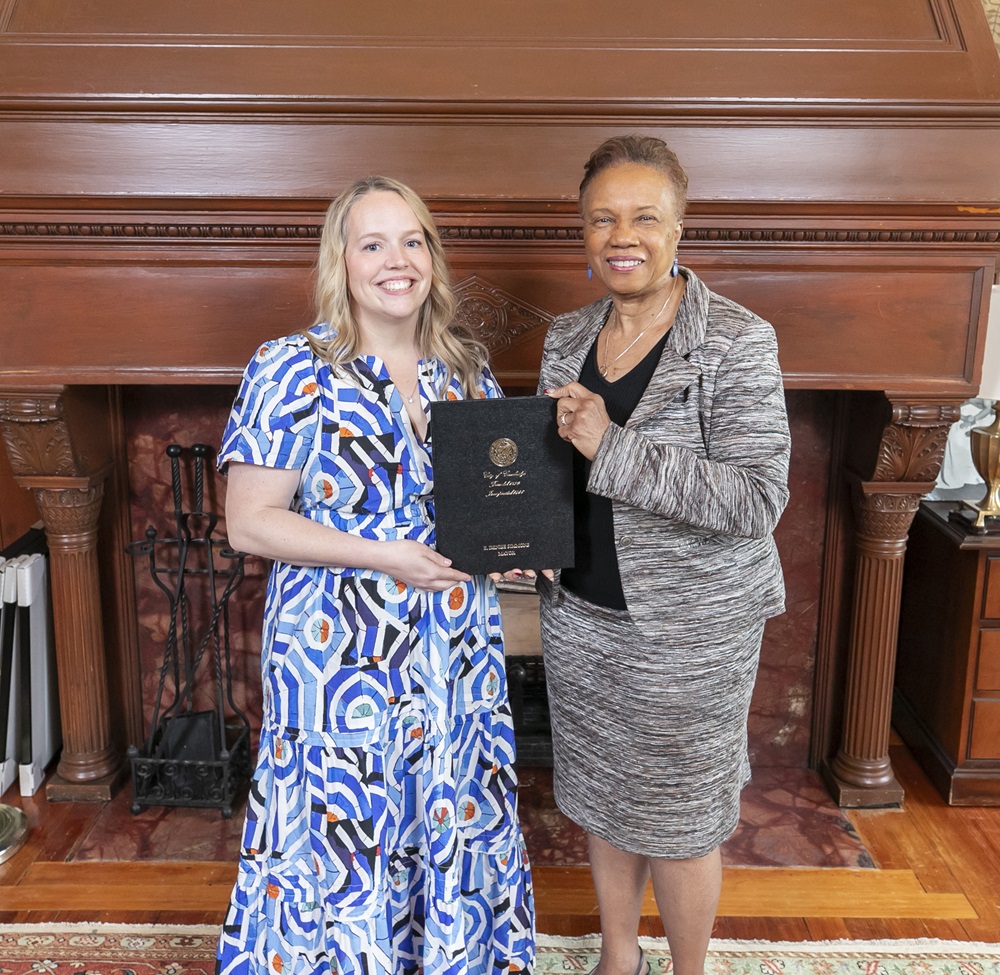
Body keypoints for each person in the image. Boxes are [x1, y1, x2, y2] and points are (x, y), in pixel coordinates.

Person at [215, 176, 535, 975]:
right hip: (337, 657)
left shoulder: (466, 370)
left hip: (453, 655)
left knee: (450, 813)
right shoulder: (293, 368)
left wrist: (515, 548)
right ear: (342, 261)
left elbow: (487, 513)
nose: (398, 261)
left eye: (413, 240)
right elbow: (249, 521)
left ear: (432, 256)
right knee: (344, 828)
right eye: (374, 243)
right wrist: (380, 553)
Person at [538, 136, 790, 975]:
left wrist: (614, 450)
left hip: (692, 632)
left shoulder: (737, 341)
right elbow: (551, 474)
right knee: (605, 801)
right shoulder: (565, 337)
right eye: (603, 218)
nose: (624, 234)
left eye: (645, 216)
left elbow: (757, 499)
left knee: (682, 820)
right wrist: (531, 541)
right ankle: (619, 958)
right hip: (583, 618)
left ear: (679, 227)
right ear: (582, 233)